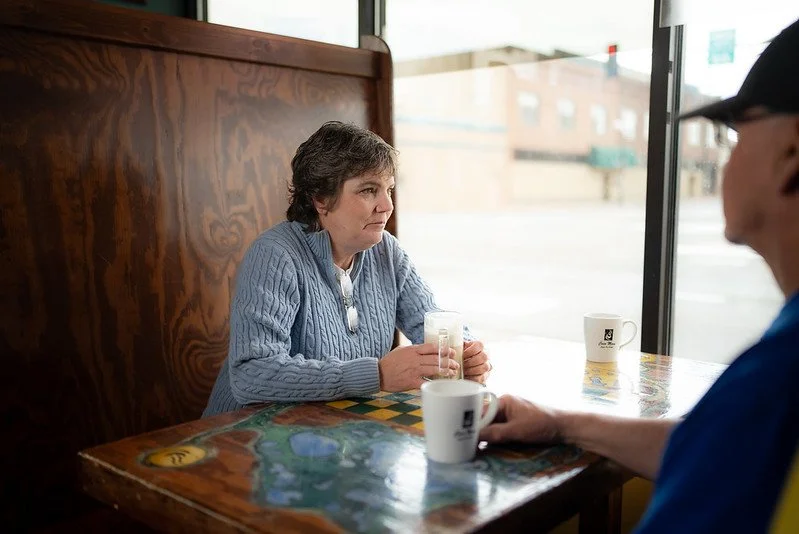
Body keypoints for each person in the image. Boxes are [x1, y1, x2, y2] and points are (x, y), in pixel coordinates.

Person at [480, 18, 799, 534]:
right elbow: (715, 447)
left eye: (736, 133)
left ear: (791, 151)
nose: (726, 158)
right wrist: (561, 423)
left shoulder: (777, 379)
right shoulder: (770, 387)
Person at [204, 121, 491, 417]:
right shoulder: (276, 255)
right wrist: (377, 375)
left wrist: (466, 354)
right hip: (242, 436)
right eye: (369, 190)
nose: (387, 205)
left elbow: (433, 322)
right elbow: (252, 374)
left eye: (389, 189)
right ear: (321, 199)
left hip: (331, 430)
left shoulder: (386, 251)